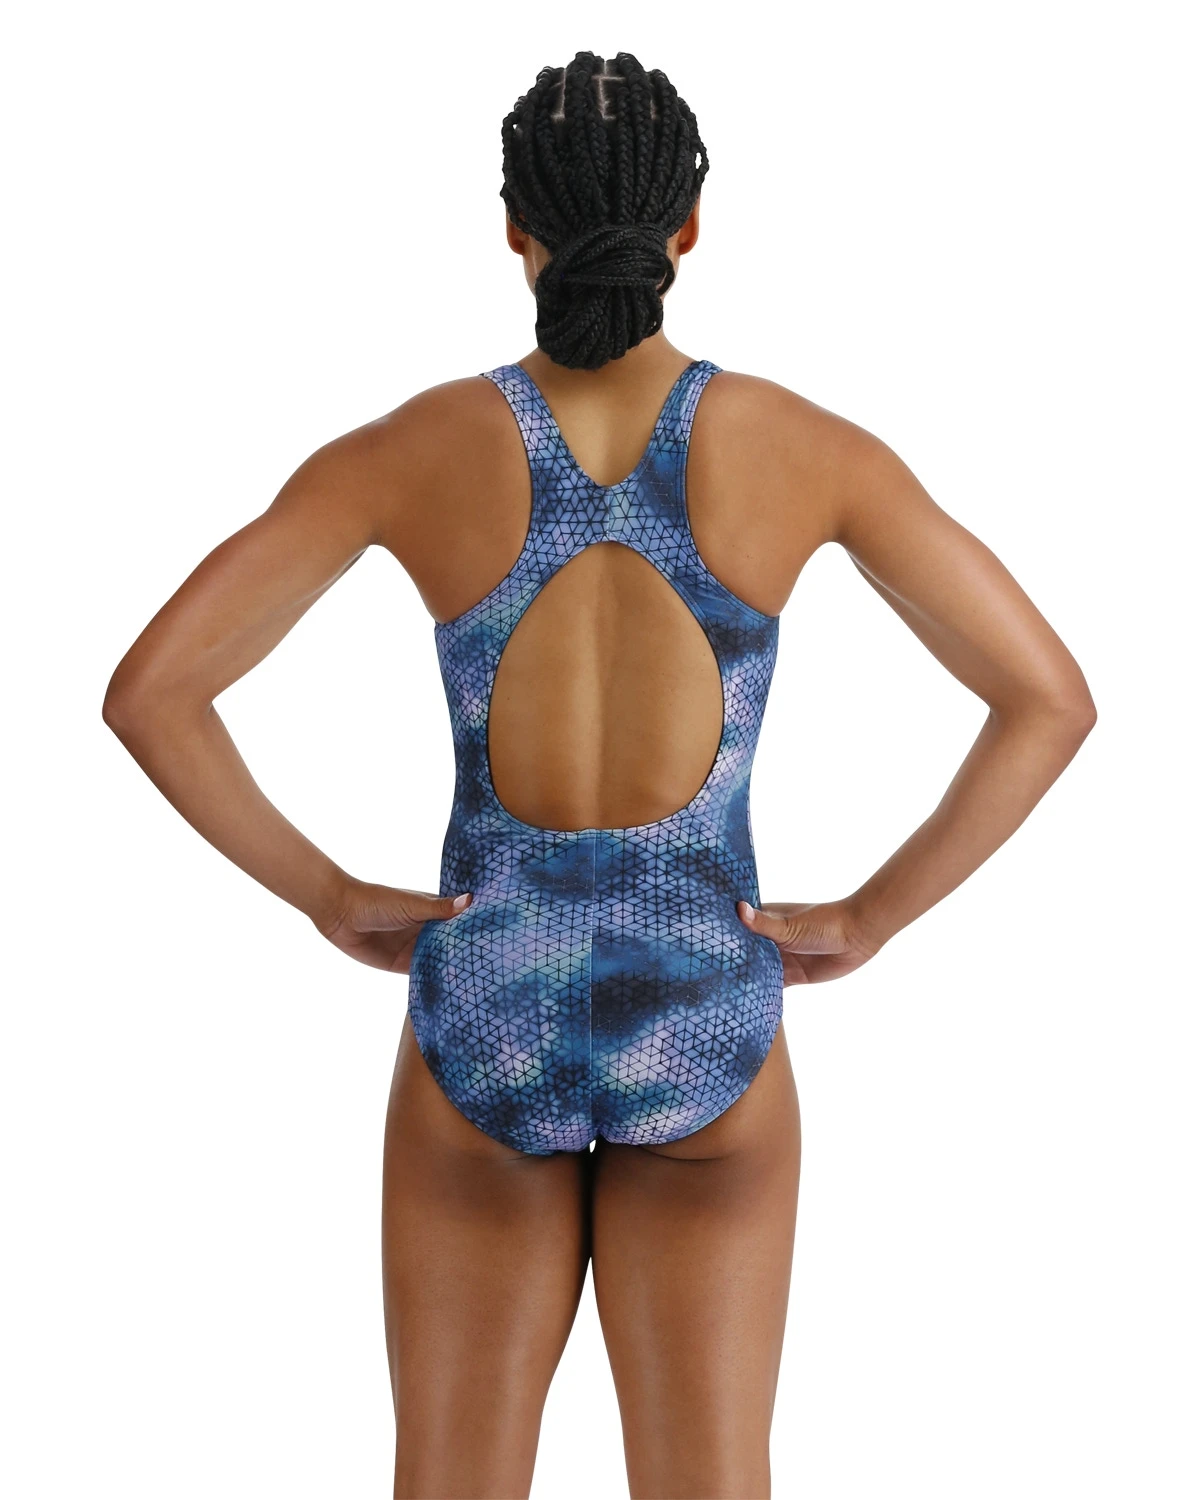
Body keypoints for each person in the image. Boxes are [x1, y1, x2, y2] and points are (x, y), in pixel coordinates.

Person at [103, 48, 1095, 1500]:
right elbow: (1048, 700)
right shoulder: (802, 450)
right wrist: (869, 918)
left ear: (515, 227)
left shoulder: (417, 448)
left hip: (483, 1001)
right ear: (689, 226)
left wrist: (323, 892)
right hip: (706, 1008)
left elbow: (152, 694)